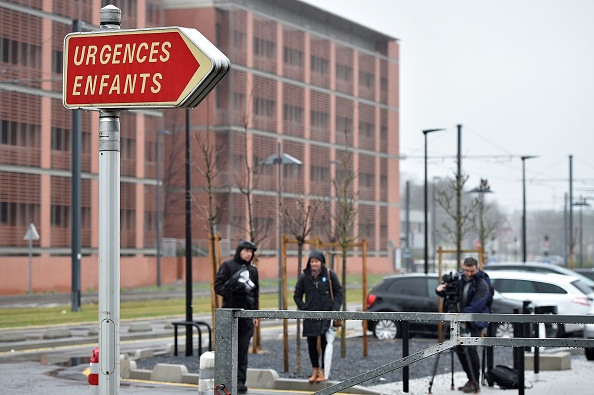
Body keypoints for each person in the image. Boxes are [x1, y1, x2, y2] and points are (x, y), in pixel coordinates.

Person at [436, 257, 490, 394]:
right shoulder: (460, 280)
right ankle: (470, 379)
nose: (469, 273)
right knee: (459, 348)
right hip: (459, 320)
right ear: (463, 267)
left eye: (471, 271)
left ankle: (475, 381)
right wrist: (440, 290)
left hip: (474, 322)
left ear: (477, 268)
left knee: (471, 350)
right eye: (466, 270)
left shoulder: (482, 283)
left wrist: (463, 315)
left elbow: (478, 304)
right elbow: (451, 293)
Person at [214, 239, 260, 393]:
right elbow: (218, 287)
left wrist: (255, 314)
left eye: (251, 252)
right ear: (239, 250)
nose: (248, 254)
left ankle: (240, 380)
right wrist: (232, 286)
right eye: (246, 251)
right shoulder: (227, 266)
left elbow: (256, 293)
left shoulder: (253, 271)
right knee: (227, 349)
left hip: (246, 315)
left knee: (242, 349)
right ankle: (225, 379)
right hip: (229, 313)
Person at [293, 249, 343, 383]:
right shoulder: (304, 277)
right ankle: (314, 370)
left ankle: (323, 371)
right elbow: (297, 295)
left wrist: (334, 310)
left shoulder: (329, 274)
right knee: (311, 344)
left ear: (321, 262)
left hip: (326, 315)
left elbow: (339, 292)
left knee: (325, 344)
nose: (314, 264)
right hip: (310, 316)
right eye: (312, 261)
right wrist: (304, 308)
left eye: (316, 261)